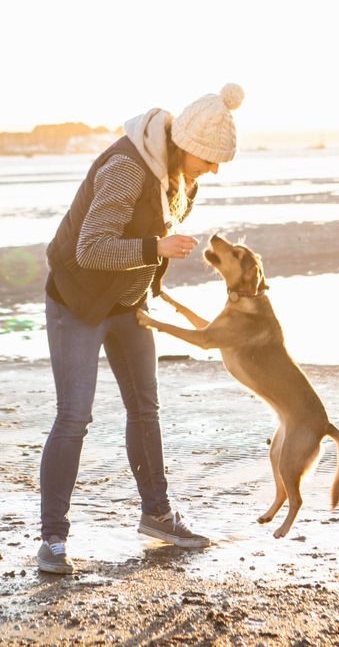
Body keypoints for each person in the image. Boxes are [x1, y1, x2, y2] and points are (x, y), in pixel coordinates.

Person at [36, 83, 245, 574]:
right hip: (79, 303)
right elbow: (91, 248)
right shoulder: (126, 168)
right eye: (210, 160)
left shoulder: (179, 178)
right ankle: (52, 540)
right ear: (185, 146)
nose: (212, 171)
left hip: (128, 303)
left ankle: (158, 516)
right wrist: (156, 249)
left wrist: (151, 276)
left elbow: (151, 236)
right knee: (74, 417)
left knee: (145, 410)